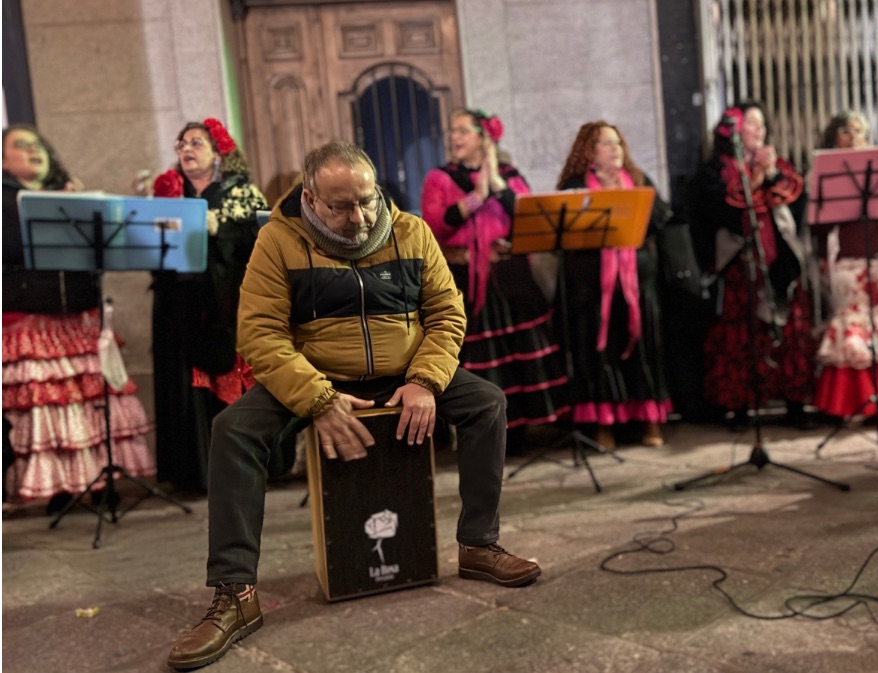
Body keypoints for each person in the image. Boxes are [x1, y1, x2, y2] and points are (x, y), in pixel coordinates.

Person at [166, 141, 539, 671]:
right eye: (341, 206)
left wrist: (425, 381)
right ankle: (235, 593)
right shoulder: (277, 239)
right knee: (233, 430)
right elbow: (261, 334)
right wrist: (318, 399)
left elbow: (447, 314)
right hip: (316, 375)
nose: (359, 217)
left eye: (366, 200)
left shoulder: (411, 230)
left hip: (404, 369)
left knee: (487, 403)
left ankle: (479, 545)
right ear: (310, 198)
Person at [1, 126, 154, 509]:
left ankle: (103, 480)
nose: (34, 150)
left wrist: (83, 209)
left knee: (92, 400)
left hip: (82, 314)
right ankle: (61, 487)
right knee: (52, 405)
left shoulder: (70, 190)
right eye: (22, 146)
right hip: (32, 316)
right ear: (3, 160)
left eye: (39, 145)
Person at [421, 109, 570, 448]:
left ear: (483, 138)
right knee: (481, 353)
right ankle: (496, 432)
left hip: (511, 275)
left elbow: (528, 218)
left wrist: (497, 187)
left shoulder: (509, 175)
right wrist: (477, 196)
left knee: (525, 348)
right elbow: (435, 224)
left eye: (463, 130)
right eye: (452, 131)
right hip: (466, 278)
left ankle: (535, 425)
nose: (455, 137)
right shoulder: (440, 178)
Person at [147, 119, 268, 492]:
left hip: (224, 304)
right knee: (183, 385)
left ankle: (238, 469)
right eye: (181, 143)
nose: (187, 149)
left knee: (227, 384)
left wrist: (219, 228)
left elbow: (258, 242)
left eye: (196, 142)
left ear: (218, 154)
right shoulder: (168, 193)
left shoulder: (242, 192)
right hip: (178, 304)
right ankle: (192, 473)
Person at [691, 102, 816, 427]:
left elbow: (797, 205)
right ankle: (740, 405)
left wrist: (770, 175)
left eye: (762, 123)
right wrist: (752, 181)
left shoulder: (782, 167)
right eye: (751, 123)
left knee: (789, 332)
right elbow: (718, 214)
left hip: (780, 265)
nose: (759, 129)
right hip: (739, 264)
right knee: (740, 337)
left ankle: (794, 404)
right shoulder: (715, 171)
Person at [555, 121, 673, 449]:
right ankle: (602, 425)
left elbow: (660, 220)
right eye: (606, 143)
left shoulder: (637, 180)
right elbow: (565, 234)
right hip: (592, 288)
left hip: (637, 284)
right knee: (597, 354)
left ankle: (648, 419)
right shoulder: (576, 186)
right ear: (589, 152)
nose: (615, 149)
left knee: (643, 350)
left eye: (617, 142)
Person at [811, 112, 878, 422]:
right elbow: (817, 228)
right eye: (845, 131)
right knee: (851, 320)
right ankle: (849, 402)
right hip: (843, 260)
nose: (853, 137)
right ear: (833, 138)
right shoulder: (824, 175)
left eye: (859, 131)